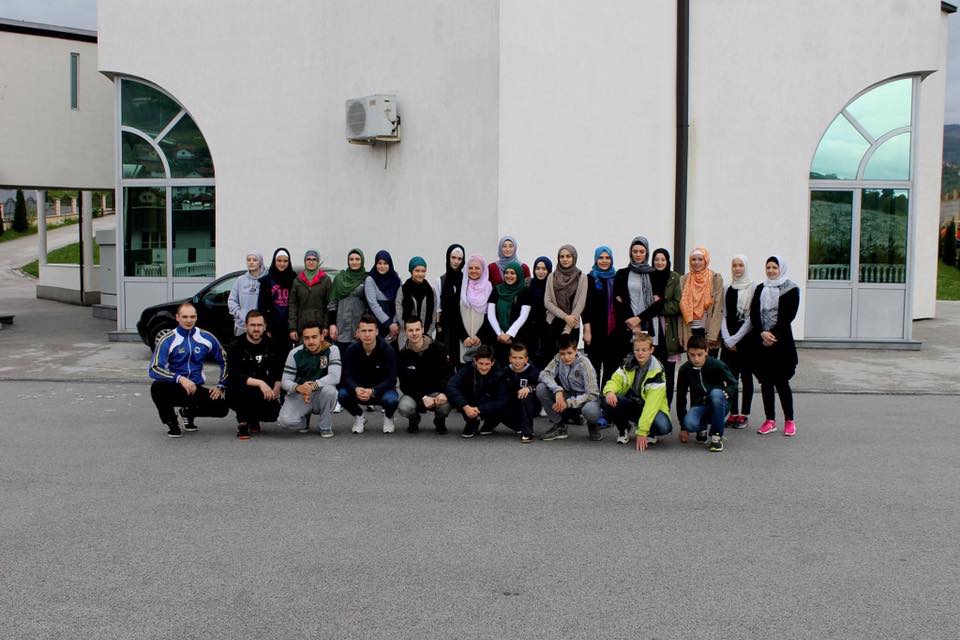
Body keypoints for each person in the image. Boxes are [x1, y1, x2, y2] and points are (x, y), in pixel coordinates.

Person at [148, 302, 228, 437]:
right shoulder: (168, 339)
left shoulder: (206, 337)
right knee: (157, 387)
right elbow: (154, 369)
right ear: (177, 317)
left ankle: (187, 413)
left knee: (222, 408)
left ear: (196, 317)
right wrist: (180, 379)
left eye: (192, 317)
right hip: (175, 386)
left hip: (195, 388)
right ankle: (172, 422)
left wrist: (221, 386)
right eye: (185, 317)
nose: (189, 320)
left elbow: (225, 361)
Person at [749, 255, 800, 437]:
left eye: (774, 267)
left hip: (781, 342)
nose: (771, 271)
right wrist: (762, 332)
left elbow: (788, 316)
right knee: (766, 382)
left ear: (781, 269)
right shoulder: (761, 288)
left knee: (782, 382)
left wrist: (772, 334)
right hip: (762, 341)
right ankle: (770, 420)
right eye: (768, 267)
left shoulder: (791, 288)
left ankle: (789, 420)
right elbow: (754, 313)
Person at [601, 333, 672, 449]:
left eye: (644, 350)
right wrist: (609, 391)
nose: (640, 353)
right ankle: (623, 428)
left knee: (664, 426)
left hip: (651, 407)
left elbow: (651, 405)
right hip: (632, 403)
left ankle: (650, 431)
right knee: (609, 399)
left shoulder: (657, 371)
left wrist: (642, 431)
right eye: (637, 350)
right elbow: (615, 380)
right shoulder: (627, 363)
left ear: (651, 350)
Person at [276, 322, 341, 437]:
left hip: (321, 393)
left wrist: (312, 386)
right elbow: (285, 381)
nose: (310, 341)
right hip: (301, 393)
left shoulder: (332, 349)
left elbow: (335, 377)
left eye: (314, 337)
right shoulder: (294, 353)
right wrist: (299, 388)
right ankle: (304, 421)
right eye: (307, 338)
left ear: (322, 336)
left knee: (330, 391)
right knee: (284, 421)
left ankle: (325, 426)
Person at [226, 310, 284, 439]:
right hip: (241, 389)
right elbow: (233, 374)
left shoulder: (272, 344)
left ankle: (253, 419)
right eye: (252, 325)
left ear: (265, 327)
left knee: (273, 414)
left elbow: (278, 369)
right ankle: (243, 422)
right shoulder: (235, 345)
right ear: (246, 326)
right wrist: (260, 383)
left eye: (259, 325)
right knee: (236, 388)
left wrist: (277, 386)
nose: (256, 329)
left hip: (264, 390)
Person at [675, 334, 738, 452]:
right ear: (687, 353)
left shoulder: (716, 364)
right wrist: (683, 427)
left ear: (706, 351)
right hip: (699, 405)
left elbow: (733, 383)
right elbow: (681, 398)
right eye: (692, 355)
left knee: (715, 394)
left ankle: (716, 437)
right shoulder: (684, 370)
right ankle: (701, 427)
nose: (696, 359)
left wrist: (726, 393)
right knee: (689, 424)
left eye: (699, 354)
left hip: (719, 403)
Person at [339, 314, 400, 433]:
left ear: (377, 332)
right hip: (359, 391)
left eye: (370, 330)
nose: (367, 334)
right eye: (363, 331)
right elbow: (346, 376)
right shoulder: (351, 350)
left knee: (392, 400)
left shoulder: (388, 350)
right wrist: (356, 388)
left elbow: (392, 379)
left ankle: (388, 417)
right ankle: (359, 416)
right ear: (358, 332)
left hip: (381, 391)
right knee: (342, 394)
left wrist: (373, 391)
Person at [536, 334, 604, 441]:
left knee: (590, 410)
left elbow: (592, 393)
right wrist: (557, 390)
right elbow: (544, 374)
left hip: (585, 399)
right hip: (568, 394)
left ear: (576, 350)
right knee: (541, 388)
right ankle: (560, 426)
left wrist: (568, 403)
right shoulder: (558, 358)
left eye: (569, 353)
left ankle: (592, 425)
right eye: (562, 353)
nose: (566, 357)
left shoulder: (584, 363)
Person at [396, 316, 452, 434]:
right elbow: (405, 385)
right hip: (415, 393)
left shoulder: (439, 348)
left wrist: (443, 393)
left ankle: (439, 420)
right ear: (405, 332)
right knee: (404, 407)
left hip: (436, 392)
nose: (414, 333)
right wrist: (423, 397)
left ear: (422, 329)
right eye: (410, 330)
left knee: (445, 405)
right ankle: (414, 419)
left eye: (417, 329)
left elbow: (449, 374)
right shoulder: (402, 355)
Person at [720, 254, 755, 429]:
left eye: (741, 265)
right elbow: (724, 315)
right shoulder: (728, 287)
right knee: (730, 378)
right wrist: (727, 339)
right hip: (729, 340)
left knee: (746, 378)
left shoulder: (752, 287)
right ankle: (733, 413)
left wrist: (734, 339)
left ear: (745, 267)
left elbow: (750, 319)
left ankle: (744, 414)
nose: (737, 268)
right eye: (734, 265)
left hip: (746, 340)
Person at [446, 344, 509, 438]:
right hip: (470, 403)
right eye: (481, 363)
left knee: (504, 403)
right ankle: (472, 422)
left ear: (492, 362)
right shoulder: (467, 369)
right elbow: (451, 386)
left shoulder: (499, 373)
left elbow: (502, 400)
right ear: (475, 361)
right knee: (457, 394)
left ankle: (490, 423)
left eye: (487, 364)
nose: (483, 367)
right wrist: (465, 406)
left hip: (488, 403)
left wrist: (480, 409)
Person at [485, 342, 542, 443]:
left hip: (531, 406)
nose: (517, 361)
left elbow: (542, 385)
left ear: (526, 359)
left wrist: (530, 388)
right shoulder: (505, 371)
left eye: (520, 358)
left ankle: (528, 432)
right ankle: (491, 423)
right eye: (514, 357)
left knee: (525, 395)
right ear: (509, 359)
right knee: (494, 398)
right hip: (512, 406)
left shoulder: (533, 371)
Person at [648, 248, 683, 407]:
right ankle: (652, 407)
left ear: (667, 261)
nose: (659, 262)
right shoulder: (648, 276)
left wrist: (658, 305)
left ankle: (666, 408)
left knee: (668, 374)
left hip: (669, 331)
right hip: (651, 329)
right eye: (656, 259)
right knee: (652, 373)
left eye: (663, 259)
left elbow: (678, 304)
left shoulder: (675, 278)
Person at [583, 245, 620, 385]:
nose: (604, 261)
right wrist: (587, 330)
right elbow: (585, 306)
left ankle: (606, 397)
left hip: (613, 332)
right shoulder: (589, 278)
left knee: (611, 369)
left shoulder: (617, 278)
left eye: (607, 258)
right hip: (594, 331)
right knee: (593, 369)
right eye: (601, 258)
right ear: (595, 259)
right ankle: (593, 397)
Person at [679, 246, 724, 355]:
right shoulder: (684, 279)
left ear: (706, 260)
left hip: (708, 331)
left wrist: (712, 335)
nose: (697, 262)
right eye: (693, 259)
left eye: (700, 259)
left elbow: (718, 307)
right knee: (693, 362)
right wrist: (682, 335)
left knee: (709, 363)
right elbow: (681, 309)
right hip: (690, 330)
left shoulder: (715, 278)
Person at [486, 262, 532, 364]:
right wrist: (500, 334)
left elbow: (523, 316)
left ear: (518, 274)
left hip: (517, 339)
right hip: (498, 338)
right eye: (506, 272)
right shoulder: (497, 289)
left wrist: (510, 334)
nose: (509, 276)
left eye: (512, 273)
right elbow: (491, 314)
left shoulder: (524, 292)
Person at [544, 244, 588, 347]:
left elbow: (580, 304)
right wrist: (565, 317)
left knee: (569, 355)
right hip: (553, 323)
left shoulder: (582, 277)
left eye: (568, 256)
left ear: (574, 257)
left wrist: (568, 328)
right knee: (552, 355)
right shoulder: (552, 276)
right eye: (562, 256)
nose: (565, 259)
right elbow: (547, 301)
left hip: (572, 324)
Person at [288, 249, 332, 344]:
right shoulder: (297, 281)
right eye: (308, 259)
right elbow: (293, 305)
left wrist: (326, 326)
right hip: (302, 328)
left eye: (314, 259)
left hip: (320, 327)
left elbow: (329, 305)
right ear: (304, 261)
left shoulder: (326, 280)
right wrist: (292, 328)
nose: (311, 262)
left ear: (318, 262)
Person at [257, 247, 297, 348]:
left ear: (289, 262)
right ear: (274, 261)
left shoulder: (295, 279)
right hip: (272, 328)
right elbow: (262, 307)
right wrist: (266, 327)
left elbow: (298, 304)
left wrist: (294, 327)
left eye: (285, 261)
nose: (282, 264)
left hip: (290, 328)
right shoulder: (266, 281)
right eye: (279, 260)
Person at [395, 256, 438, 349]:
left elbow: (434, 315)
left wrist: (428, 333)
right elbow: (399, 312)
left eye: (423, 271)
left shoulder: (431, 291)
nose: (420, 274)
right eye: (417, 271)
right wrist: (410, 331)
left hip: (426, 336)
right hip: (406, 336)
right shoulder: (403, 290)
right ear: (411, 271)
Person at [457, 254, 493, 364]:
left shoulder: (489, 288)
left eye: (477, 268)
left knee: (481, 365)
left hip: (481, 338)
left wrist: (479, 335)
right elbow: (455, 314)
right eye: (470, 268)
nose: (473, 271)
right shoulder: (462, 286)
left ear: (483, 269)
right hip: (464, 339)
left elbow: (491, 315)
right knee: (464, 367)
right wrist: (464, 337)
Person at [436, 243, 466, 367]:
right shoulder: (440, 281)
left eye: (459, 259)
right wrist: (439, 329)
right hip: (446, 327)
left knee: (462, 361)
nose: (456, 262)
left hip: (462, 327)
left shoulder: (467, 280)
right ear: (448, 258)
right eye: (453, 258)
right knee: (445, 362)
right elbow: (438, 309)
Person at [364, 250, 402, 343]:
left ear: (390, 264)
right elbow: (373, 304)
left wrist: (395, 323)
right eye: (379, 263)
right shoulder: (370, 280)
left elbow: (399, 302)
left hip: (395, 326)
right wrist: (389, 324)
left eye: (385, 263)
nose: (382, 266)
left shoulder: (396, 280)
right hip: (377, 324)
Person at [227, 250, 265, 337]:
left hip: (259, 327)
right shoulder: (240, 280)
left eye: (255, 260)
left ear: (260, 262)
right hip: (242, 325)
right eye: (249, 260)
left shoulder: (266, 279)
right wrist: (239, 314)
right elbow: (232, 300)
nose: (251, 262)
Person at [527, 256, 553, 369]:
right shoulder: (529, 285)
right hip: (531, 330)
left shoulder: (552, 286)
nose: (540, 272)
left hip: (548, 329)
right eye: (538, 268)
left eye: (544, 269)